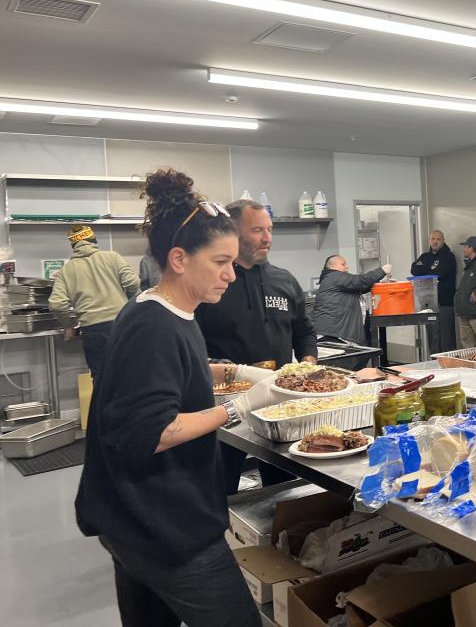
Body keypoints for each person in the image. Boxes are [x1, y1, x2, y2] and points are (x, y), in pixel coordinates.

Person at [75, 168, 274, 627]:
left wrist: (233, 371)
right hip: (161, 522)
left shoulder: (162, 309)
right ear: (180, 259)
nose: (230, 274)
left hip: (128, 516)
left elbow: (169, 373)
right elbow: (154, 432)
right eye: (220, 262)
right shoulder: (154, 325)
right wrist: (239, 405)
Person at [195, 198, 318, 493]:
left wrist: (308, 364)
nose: (267, 239)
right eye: (257, 230)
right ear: (234, 233)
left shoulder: (284, 281)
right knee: (217, 487)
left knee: (284, 488)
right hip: (225, 405)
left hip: (278, 402)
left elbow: (304, 330)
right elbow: (192, 341)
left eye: (270, 230)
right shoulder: (213, 283)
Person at [48, 225, 139, 384]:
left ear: (73, 246)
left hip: (93, 330)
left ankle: (106, 409)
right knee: (131, 372)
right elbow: (133, 283)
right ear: (94, 240)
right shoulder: (112, 257)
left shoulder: (66, 271)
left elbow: (57, 304)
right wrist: (126, 302)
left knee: (102, 380)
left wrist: (69, 325)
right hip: (122, 324)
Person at [311, 254, 391, 344]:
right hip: (332, 334)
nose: (347, 267)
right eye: (343, 264)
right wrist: (381, 271)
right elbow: (359, 281)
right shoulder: (334, 276)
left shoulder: (334, 279)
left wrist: (379, 283)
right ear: (332, 266)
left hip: (334, 332)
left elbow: (360, 287)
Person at [411, 229, 457, 352]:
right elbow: (415, 270)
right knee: (433, 338)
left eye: (438, 239)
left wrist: (427, 270)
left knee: (446, 339)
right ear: (429, 240)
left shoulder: (448, 257)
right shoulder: (425, 256)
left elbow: (438, 274)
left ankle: (448, 367)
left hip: (444, 304)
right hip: (428, 304)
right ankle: (434, 365)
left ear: (443, 241)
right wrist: (430, 268)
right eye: (433, 239)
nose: (435, 242)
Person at [453, 236, 476, 348]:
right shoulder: (470, 264)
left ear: (471, 248)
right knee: (467, 348)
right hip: (464, 313)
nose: (463, 249)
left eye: (465, 246)